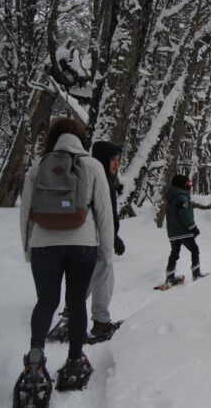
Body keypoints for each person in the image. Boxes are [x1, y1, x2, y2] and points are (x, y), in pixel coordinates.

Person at [18, 117, 113, 394]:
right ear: (80, 137)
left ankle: (35, 358)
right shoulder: (93, 165)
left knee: (46, 301)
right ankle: (74, 360)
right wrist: (106, 253)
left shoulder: (39, 165)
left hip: (43, 244)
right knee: (76, 302)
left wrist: (28, 248)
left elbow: (25, 212)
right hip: (82, 244)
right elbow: (104, 213)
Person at [86, 141, 124, 338]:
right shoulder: (97, 178)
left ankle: (70, 316)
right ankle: (100, 323)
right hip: (96, 237)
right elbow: (99, 211)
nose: (117, 164)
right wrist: (111, 235)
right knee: (102, 278)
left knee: (91, 278)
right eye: (113, 160)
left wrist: (114, 234)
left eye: (118, 160)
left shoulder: (108, 179)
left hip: (99, 236)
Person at [164, 174, 203, 285]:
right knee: (194, 249)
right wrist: (193, 228)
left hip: (173, 233)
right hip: (183, 231)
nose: (190, 188)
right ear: (181, 186)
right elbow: (184, 214)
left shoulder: (172, 197)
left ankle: (170, 277)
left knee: (174, 253)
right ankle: (196, 273)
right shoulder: (182, 197)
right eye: (187, 186)